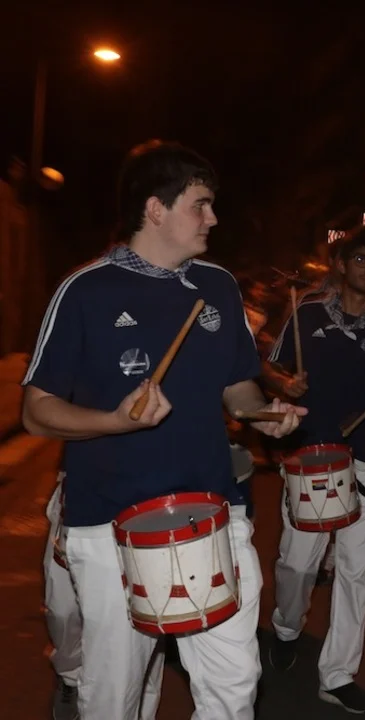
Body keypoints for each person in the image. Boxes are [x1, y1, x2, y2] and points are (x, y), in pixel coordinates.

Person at [22, 140, 304, 720]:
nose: (213, 218)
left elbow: (238, 390)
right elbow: (36, 410)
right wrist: (111, 421)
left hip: (212, 513)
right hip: (111, 524)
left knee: (234, 686)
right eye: (201, 204)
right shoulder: (85, 290)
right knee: (115, 697)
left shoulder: (218, 287)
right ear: (155, 208)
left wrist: (263, 415)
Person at [265, 229, 365, 713]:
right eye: (360, 259)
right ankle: (287, 627)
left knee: (356, 572)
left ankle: (338, 674)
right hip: (311, 458)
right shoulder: (305, 315)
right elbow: (270, 369)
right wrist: (285, 384)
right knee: (298, 563)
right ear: (341, 265)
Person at [44, 472, 166, 720]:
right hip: (85, 499)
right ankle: (70, 677)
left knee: (144, 628)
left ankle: (142, 712)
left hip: (151, 504)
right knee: (61, 610)